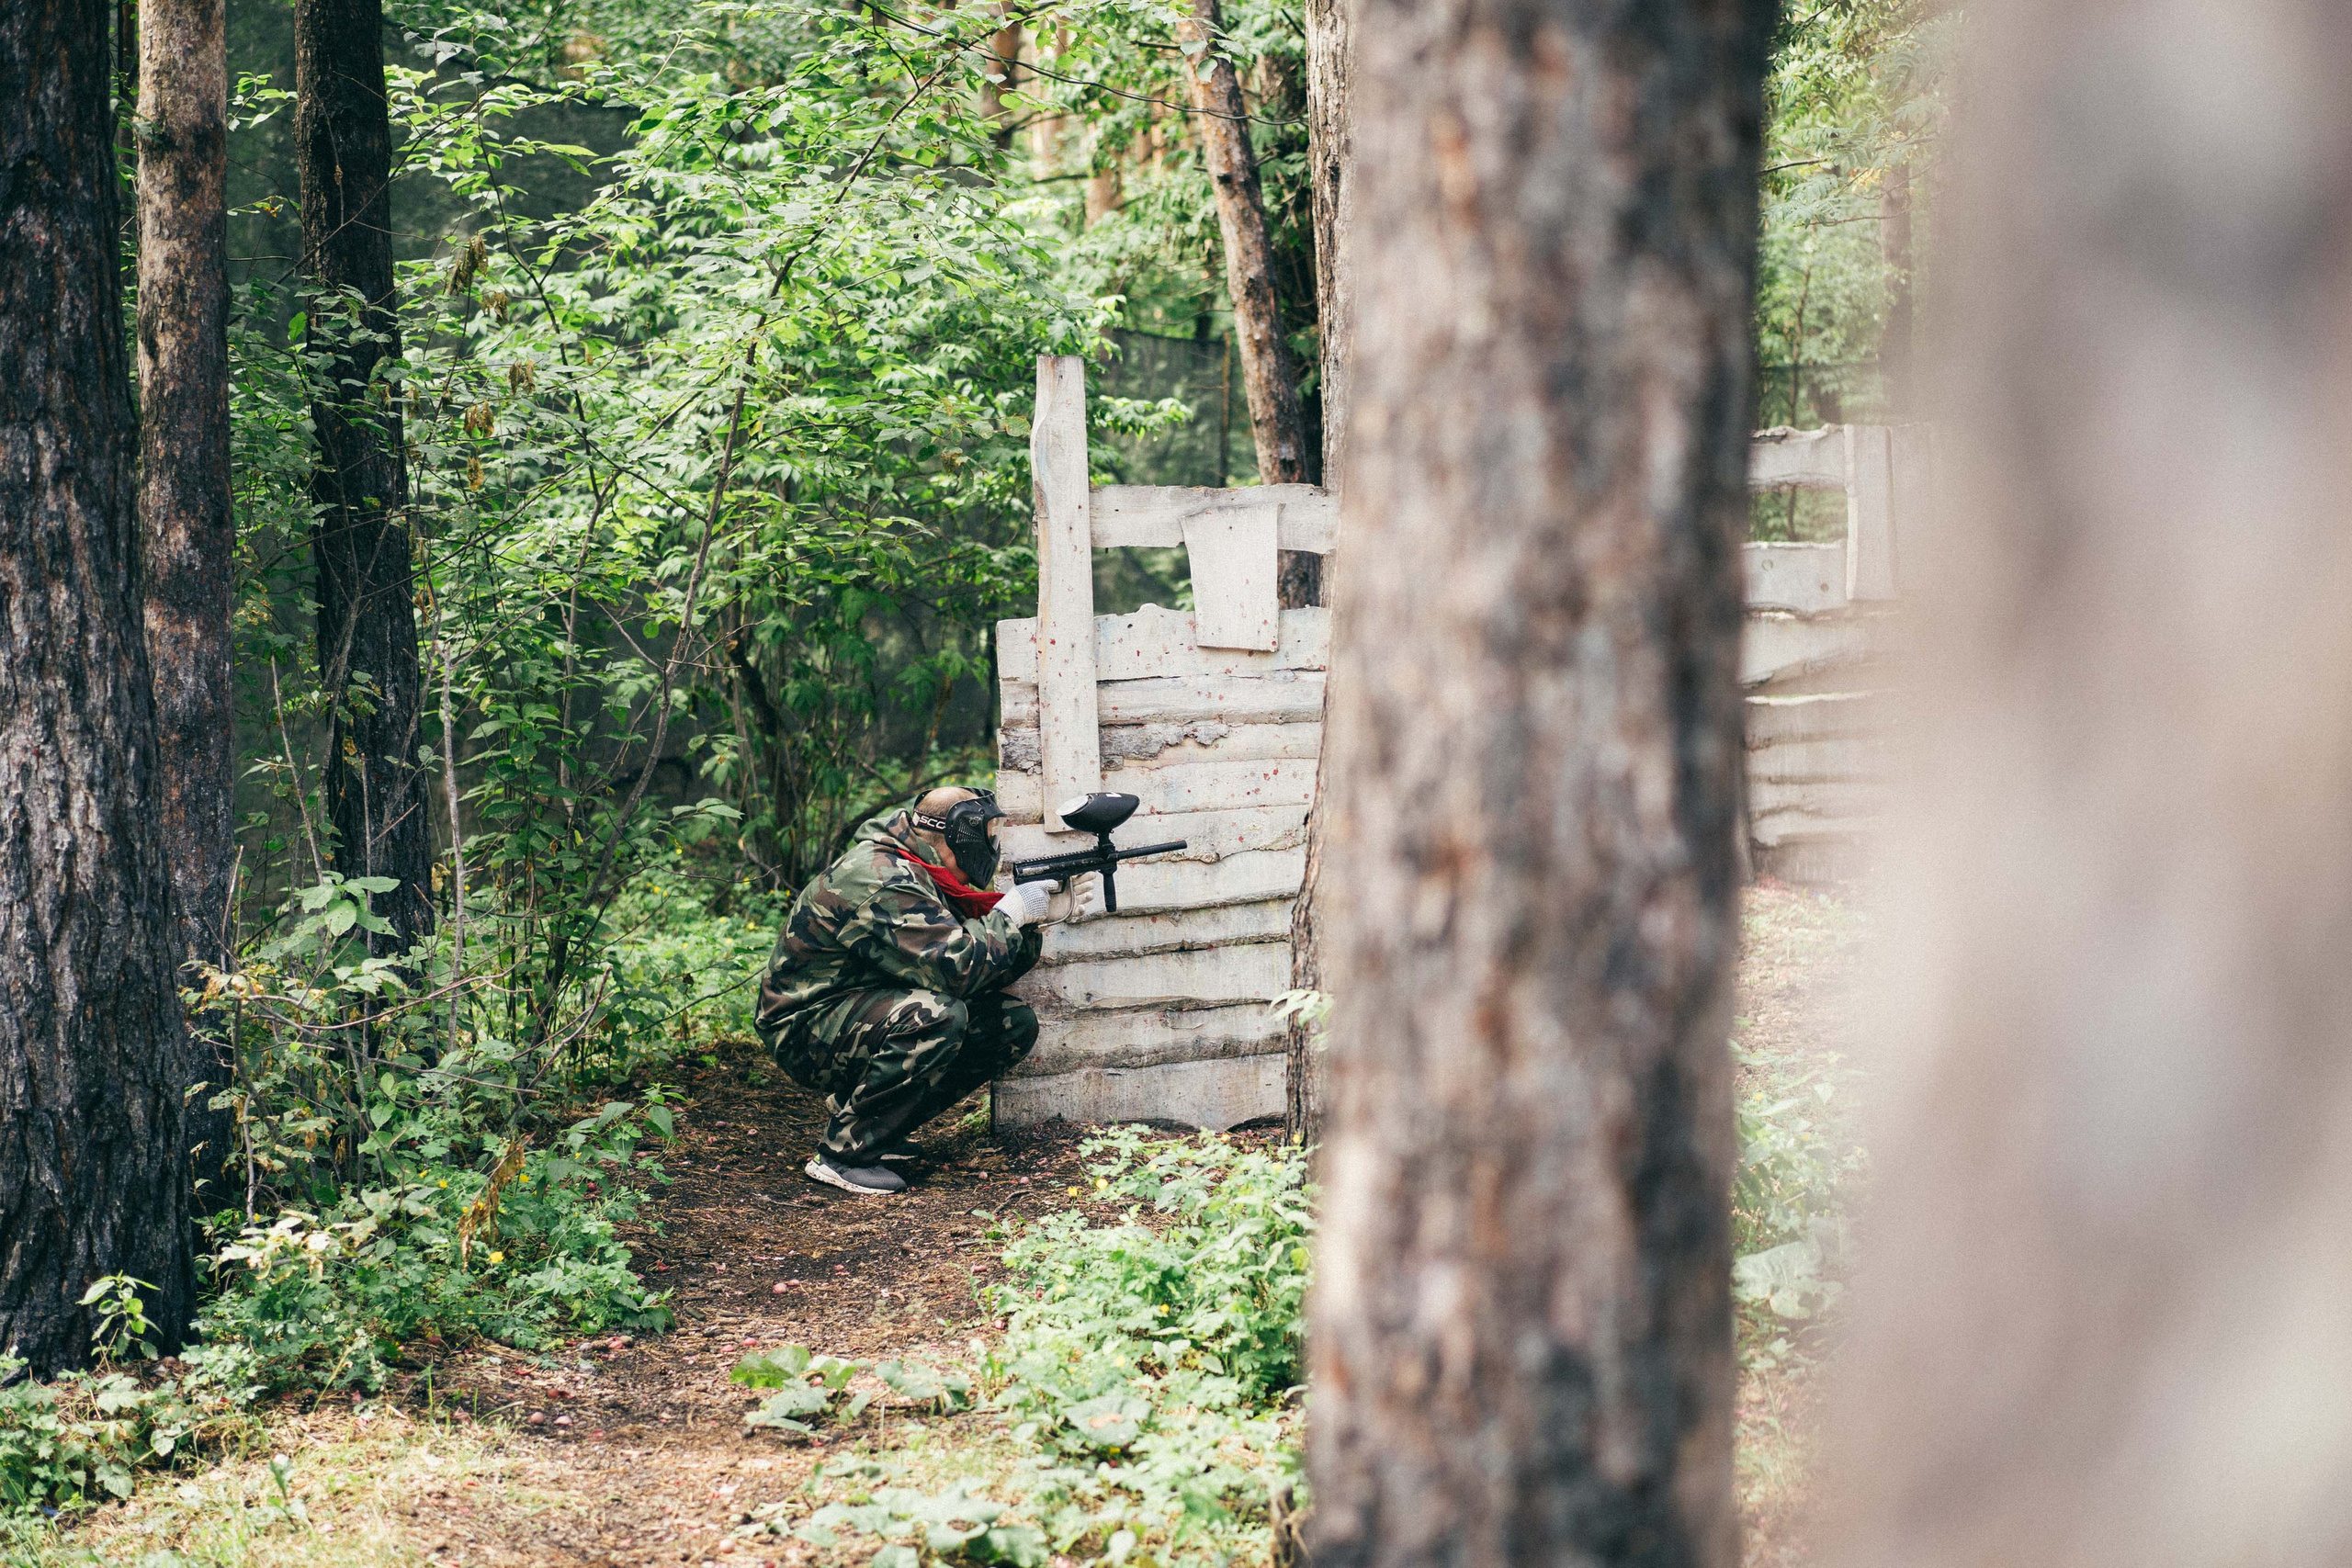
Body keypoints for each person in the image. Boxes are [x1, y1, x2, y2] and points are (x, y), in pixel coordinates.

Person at [755, 785, 1102, 1195]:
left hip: (856, 1009)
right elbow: (958, 969)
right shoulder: (881, 877)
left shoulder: (919, 868)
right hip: (803, 1028)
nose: (992, 845)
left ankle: (876, 1127)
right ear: (958, 837)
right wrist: (1011, 916)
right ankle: (843, 1154)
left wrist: (1031, 923)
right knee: (936, 1016)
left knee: (1008, 1023)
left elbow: (984, 974)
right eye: (987, 834)